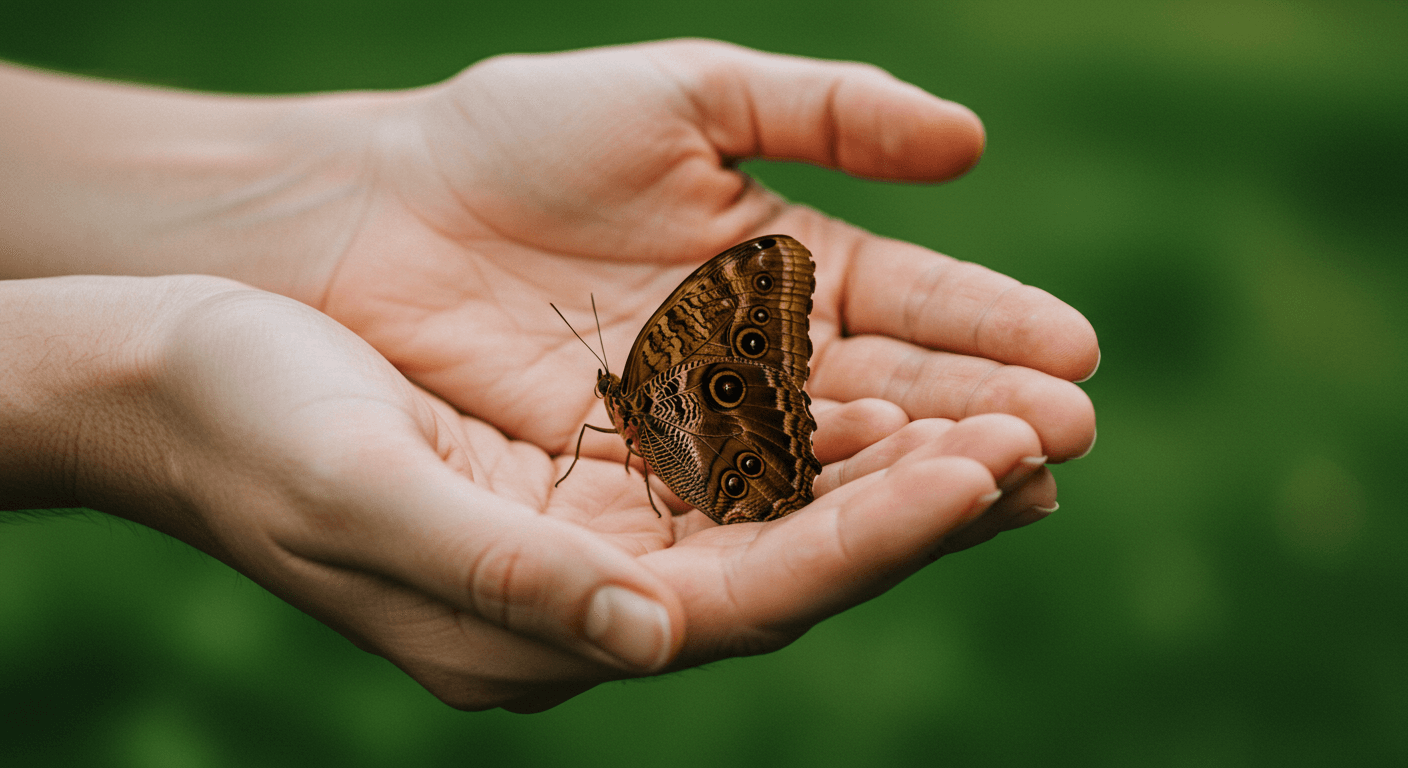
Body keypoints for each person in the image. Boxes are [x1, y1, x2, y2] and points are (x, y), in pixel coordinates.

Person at [0, 39, 1098, 712]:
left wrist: (354, 179)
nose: (609, 404)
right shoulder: (634, 404)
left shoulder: (653, 388)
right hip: (725, 469)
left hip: (740, 463)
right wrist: (130, 375)